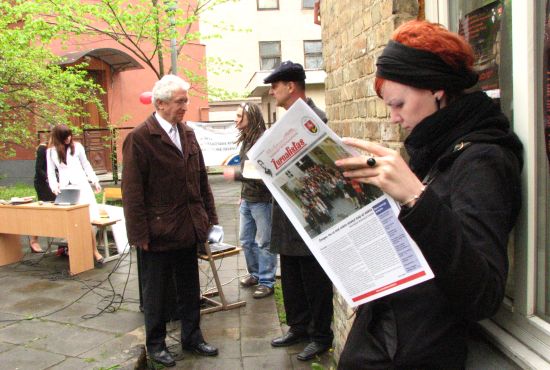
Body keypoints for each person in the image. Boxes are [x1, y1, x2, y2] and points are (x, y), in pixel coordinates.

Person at [334, 20, 523, 368]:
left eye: (399, 104)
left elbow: (483, 293)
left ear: (437, 89)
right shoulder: (435, 148)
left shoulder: (482, 159)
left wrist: (416, 198)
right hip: (389, 340)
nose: (393, 118)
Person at [122, 74, 219, 368]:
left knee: (190, 288)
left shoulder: (187, 133)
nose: (185, 106)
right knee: (157, 294)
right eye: (180, 101)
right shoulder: (140, 138)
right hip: (159, 232)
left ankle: (192, 337)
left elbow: (201, 178)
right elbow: (132, 192)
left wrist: (210, 220)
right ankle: (156, 344)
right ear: (161, 104)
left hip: (188, 228)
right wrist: (139, 234)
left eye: (185, 100)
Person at [265, 61, 334, 361]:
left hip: (309, 214)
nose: (271, 90)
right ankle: (298, 327)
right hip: (286, 214)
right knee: (291, 276)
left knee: (314, 278)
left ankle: (321, 335)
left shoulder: (314, 119)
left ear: (291, 86)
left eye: (275, 85)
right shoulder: (284, 122)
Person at [223, 102, 277, 299]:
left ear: (251, 118)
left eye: (239, 116)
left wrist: (235, 175)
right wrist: (242, 194)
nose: (236, 120)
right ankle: (255, 274)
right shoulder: (247, 138)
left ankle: (267, 282)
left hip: (262, 200)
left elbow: (259, 172)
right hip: (247, 198)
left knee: (265, 242)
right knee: (246, 240)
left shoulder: (263, 140)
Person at [46, 124, 104, 263]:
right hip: (66, 188)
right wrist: (54, 187)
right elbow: (51, 172)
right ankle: (75, 250)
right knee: (71, 220)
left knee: (88, 219)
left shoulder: (77, 147)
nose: (69, 138)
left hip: (82, 186)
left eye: (70, 135)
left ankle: (95, 251)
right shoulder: (51, 151)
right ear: (59, 137)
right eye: (66, 136)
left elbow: (86, 165)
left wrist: (95, 181)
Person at [29, 139, 57, 253]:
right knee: (42, 211)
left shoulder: (61, 148)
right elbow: (39, 169)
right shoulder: (43, 148)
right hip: (43, 184)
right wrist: (50, 179)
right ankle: (34, 240)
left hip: (56, 183)